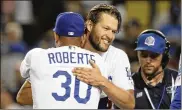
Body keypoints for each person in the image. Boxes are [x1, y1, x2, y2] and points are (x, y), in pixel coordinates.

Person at [16, 4, 135, 109]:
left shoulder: (116, 56)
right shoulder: (96, 61)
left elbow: (129, 103)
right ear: (89, 25)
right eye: (106, 28)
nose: (110, 36)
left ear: (56, 36)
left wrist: (102, 82)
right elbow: (24, 96)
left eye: (114, 31)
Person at [132, 29, 178, 109]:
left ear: (164, 57)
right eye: (144, 55)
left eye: (154, 56)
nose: (148, 61)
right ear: (137, 55)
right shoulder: (128, 84)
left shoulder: (177, 80)